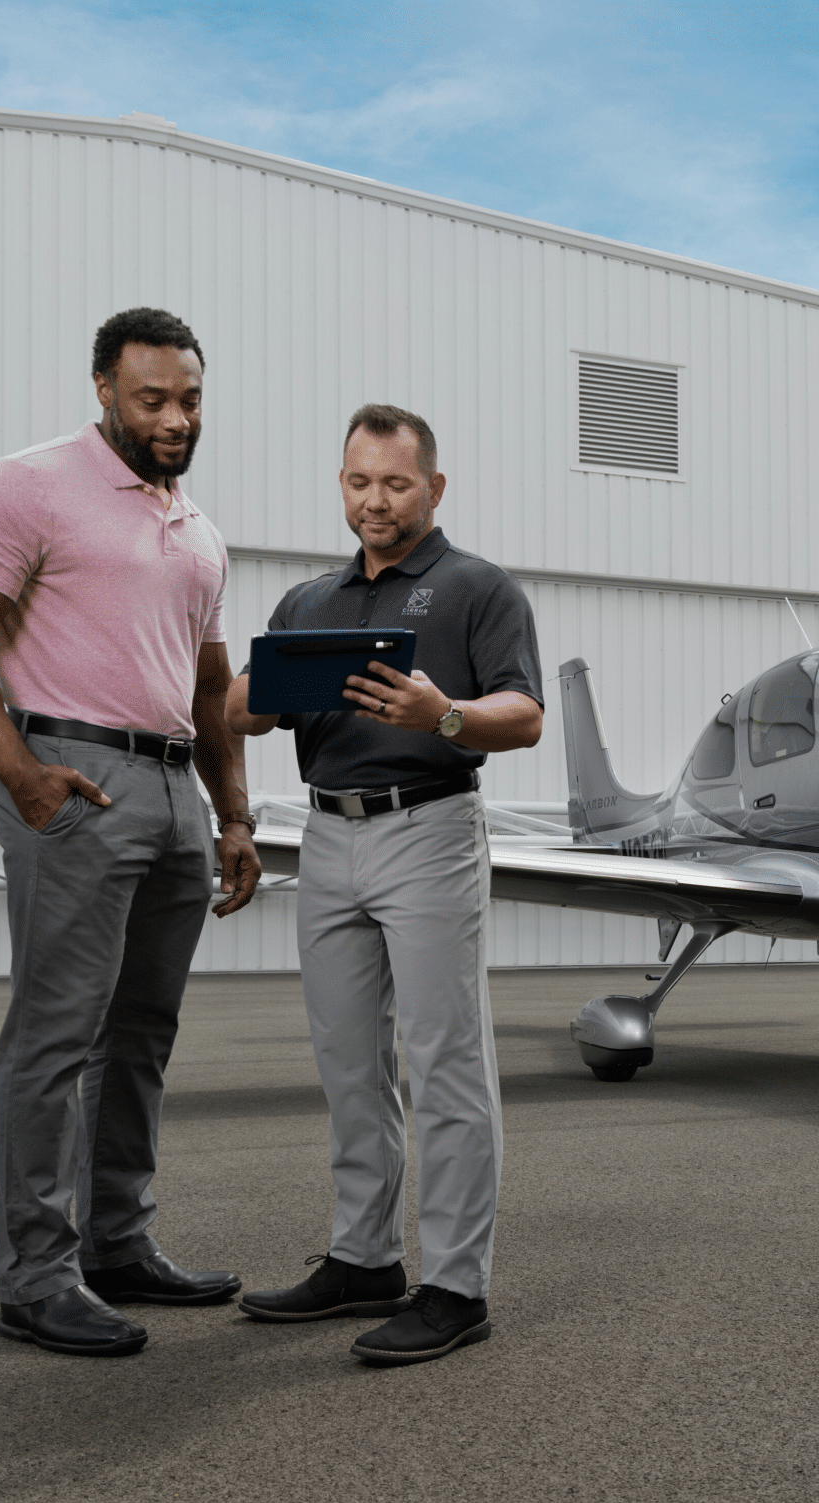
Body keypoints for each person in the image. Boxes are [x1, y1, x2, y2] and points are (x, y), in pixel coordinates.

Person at [0, 307, 262, 1358]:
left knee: (141, 1036)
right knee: (56, 1035)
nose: (173, 417)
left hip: (171, 790)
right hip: (74, 775)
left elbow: (207, 689)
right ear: (104, 389)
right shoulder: (26, 484)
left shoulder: (197, 529)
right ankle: (34, 1272)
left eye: (189, 399)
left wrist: (234, 812)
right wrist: (17, 771)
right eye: (151, 398)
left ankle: (117, 1243)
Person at [227, 404, 542, 1365]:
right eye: (360, 482)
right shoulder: (308, 603)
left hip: (430, 826)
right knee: (348, 1061)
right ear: (342, 484)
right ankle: (364, 1261)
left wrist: (441, 714)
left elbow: (523, 717)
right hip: (325, 836)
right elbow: (238, 711)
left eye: (396, 484)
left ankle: (455, 1286)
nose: (376, 501)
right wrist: (258, 687)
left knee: (445, 1060)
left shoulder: (477, 589)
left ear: (433, 489)